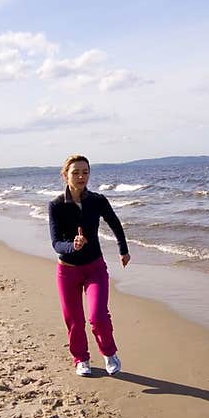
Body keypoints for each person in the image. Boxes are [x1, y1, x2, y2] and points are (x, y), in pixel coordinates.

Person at [48, 154, 130, 376]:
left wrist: (123, 249)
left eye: (85, 172)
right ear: (66, 175)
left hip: (94, 267)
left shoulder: (97, 200)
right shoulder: (56, 205)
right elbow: (56, 242)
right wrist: (72, 246)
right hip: (67, 271)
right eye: (76, 172)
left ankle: (109, 353)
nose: (81, 176)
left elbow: (114, 222)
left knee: (98, 316)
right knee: (74, 320)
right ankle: (81, 358)